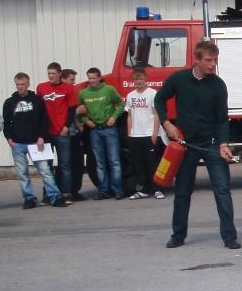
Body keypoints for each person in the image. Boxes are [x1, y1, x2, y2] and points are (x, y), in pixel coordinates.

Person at [155, 41, 240, 250]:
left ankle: (229, 237)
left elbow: (222, 118)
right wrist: (167, 124)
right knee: (183, 191)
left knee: (222, 190)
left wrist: (223, 144)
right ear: (197, 59)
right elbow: (159, 99)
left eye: (215, 60)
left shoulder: (218, 85)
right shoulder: (179, 79)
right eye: (208, 60)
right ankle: (178, 235)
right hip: (185, 143)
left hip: (211, 143)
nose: (213, 65)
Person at [2, 72, 66, 209]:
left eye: (23, 84)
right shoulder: (9, 103)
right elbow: (6, 123)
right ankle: (29, 198)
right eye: (18, 84)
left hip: (36, 143)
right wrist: (9, 139)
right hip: (18, 144)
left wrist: (41, 137)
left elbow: (44, 120)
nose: (20, 87)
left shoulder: (37, 100)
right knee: (23, 173)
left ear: (28, 84)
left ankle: (55, 197)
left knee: (45, 171)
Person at [79, 67, 125, 200]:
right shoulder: (83, 93)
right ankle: (103, 191)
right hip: (95, 131)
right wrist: (86, 121)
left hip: (110, 129)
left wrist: (113, 117)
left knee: (114, 161)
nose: (91, 81)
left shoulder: (109, 90)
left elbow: (120, 104)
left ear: (99, 78)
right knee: (100, 163)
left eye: (94, 78)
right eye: (89, 78)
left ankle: (117, 190)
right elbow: (79, 111)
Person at [37, 62, 78, 205]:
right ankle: (48, 194)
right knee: (47, 166)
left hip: (61, 131)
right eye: (49, 73)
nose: (51, 76)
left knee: (65, 164)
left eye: (53, 73)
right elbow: (39, 110)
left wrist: (67, 126)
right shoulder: (42, 88)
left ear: (60, 74)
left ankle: (66, 193)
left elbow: (72, 109)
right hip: (47, 132)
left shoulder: (68, 88)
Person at [125, 68, 166, 200]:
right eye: (136, 79)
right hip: (136, 135)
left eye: (141, 79)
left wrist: (154, 133)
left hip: (149, 133)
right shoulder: (130, 96)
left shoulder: (153, 94)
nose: (139, 82)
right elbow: (129, 116)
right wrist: (129, 134)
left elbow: (156, 114)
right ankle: (143, 189)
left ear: (145, 79)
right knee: (139, 164)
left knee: (153, 163)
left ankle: (158, 189)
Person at [61, 69, 88, 201]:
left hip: (75, 132)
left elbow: (73, 114)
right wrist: (78, 110)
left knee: (78, 163)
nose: (74, 82)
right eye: (71, 80)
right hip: (64, 134)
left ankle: (76, 190)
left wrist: (79, 125)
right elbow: (65, 113)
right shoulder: (61, 94)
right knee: (66, 164)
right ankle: (66, 191)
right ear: (64, 79)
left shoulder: (73, 93)